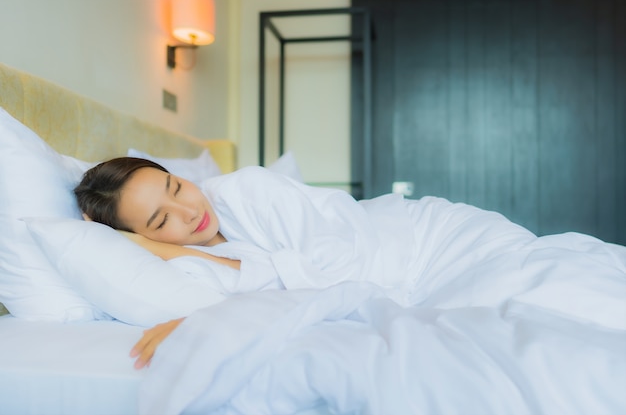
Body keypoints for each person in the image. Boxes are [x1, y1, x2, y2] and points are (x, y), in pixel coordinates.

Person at [75, 157, 626, 371]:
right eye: (160, 221)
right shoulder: (197, 258)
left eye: (175, 186)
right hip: (408, 280)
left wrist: (168, 246)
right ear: (136, 238)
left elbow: (342, 272)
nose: (187, 210)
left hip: (429, 245)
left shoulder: (247, 189)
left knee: (557, 295)